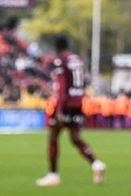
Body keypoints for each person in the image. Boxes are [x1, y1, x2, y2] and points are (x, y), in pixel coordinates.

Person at [36, 35, 106, 187]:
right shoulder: (77, 60)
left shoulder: (62, 61)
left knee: (53, 137)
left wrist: (59, 109)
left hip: (66, 103)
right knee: (75, 138)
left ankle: (53, 175)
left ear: (57, 48)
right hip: (78, 102)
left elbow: (62, 86)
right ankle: (97, 164)